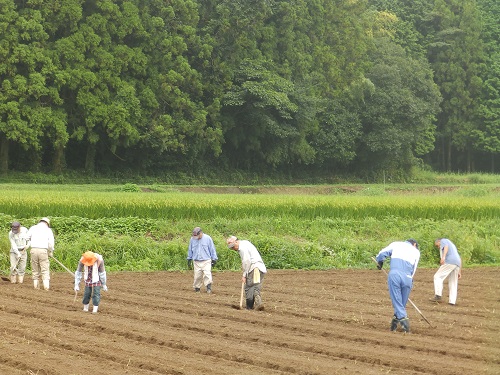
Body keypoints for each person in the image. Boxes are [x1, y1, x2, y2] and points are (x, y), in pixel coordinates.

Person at [375, 239, 420, 333]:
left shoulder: (396, 244)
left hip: (395, 274)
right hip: (408, 277)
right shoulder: (416, 252)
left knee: (396, 299)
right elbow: (414, 268)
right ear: (414, 244)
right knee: (401, 303)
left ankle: (404, 321)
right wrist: (410, 279)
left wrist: (380, 262)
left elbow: (382, 254)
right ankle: (394, 324)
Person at [226, 236, 267, 310]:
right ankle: (258, 304)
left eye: (233, 246)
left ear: (236, 241)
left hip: (254, 268)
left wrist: (244, 275)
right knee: (256, 286)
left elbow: (246, 262)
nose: (233, 248)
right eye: (231, 248)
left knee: (249, 287)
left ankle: (249, 306)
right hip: (260, 267)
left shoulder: (242, 249)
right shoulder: (245, 243)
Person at [430, 238, 462, 305]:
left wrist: (443, 257)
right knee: (453, 282)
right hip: (457, 263)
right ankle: (452, 301)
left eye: (437, 245)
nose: (438, 247)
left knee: (437, 276)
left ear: (439, 241)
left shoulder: (443, 241)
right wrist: (459, 271)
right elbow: (459, 258)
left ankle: (438, 295)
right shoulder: (453, 246)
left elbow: (445, 247)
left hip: (450, 261)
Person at [187, 227, 218, 293]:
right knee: (197, 276)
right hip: (196, 261)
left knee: (207, 274)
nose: (196, 237)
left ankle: (208, 288)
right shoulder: (192, 239)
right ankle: (197, 288)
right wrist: (189, 258)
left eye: (198, 236)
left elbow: (212, 249)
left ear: (201, 233)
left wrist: (214, 259)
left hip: (206, 260)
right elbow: (190, 249)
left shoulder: (208, 238)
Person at [27, 217, 54, 290]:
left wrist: (28, 243)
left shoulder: (33, 228)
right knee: (44, 268)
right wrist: (51, 251)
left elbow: (27, 237)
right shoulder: (48, 230)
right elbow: (50, 243)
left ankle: (36, 286)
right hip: (43, 250)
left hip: (33, 250)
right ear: (47, 223)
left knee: (35, 268)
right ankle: (46, 287)